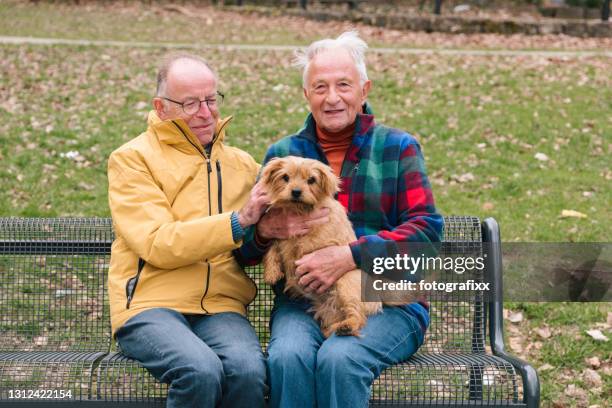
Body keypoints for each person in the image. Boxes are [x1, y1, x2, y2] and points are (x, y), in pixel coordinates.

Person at [237, 31, 444, 407]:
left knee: (340, 358)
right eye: (320, 87)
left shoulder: (398, 148)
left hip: (389, 299)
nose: (332, 98)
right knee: (287, 357)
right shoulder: (283, 155)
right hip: (301, 302)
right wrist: (264, 231)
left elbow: (426, 234)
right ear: (307, 95)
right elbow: (245, 251)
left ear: (364, 90)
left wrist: (351, 256)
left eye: (343, 85)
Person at [107, 52, 269, 408]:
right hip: (150, 305)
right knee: (199, 370)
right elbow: (157, 242)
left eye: (211, 100)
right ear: (161, 107)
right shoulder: (132, 159)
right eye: (191, 103)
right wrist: (237, 222)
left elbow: (292, 195)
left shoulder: (241, 164)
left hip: (220, 306)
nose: (206, 112)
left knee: (247, 372)